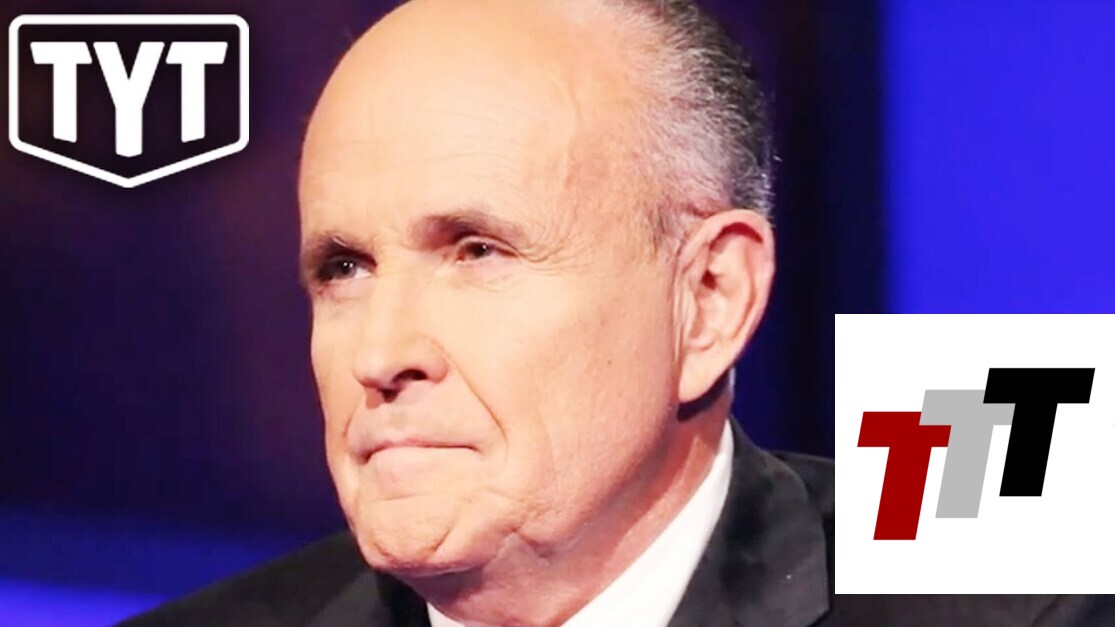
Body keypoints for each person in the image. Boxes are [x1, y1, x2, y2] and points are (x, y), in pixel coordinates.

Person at [125, 0, 1109, 625]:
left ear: (709, 297)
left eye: (477, 251)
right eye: (344, 268)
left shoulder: (1028, 604)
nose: (379, 354)